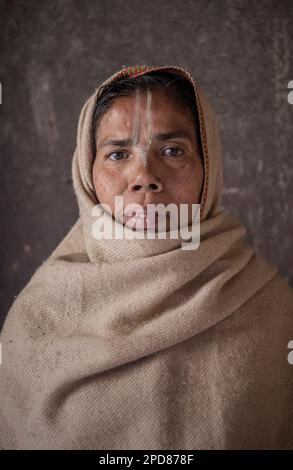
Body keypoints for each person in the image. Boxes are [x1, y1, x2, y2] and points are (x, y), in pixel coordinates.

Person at [0, 64, 292, 450]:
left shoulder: (271, 310)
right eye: (118, 154)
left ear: (210, 168)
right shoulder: (38, 317)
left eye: (172, 150)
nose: (144, 175)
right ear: (87, 174)